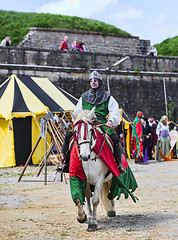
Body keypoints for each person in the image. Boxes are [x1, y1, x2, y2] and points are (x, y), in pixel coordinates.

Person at [61, 70, 126, 174]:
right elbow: (77, 111)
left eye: (95, 80)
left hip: (101, 123)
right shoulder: (84, 97)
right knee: (69, 136)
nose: (93, 82)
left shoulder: (108, 97)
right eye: (91, 80)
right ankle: (65, 163)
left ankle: (119, 165)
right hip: (86, 122)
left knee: (114, 139)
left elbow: (114, 111)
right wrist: (78, 119)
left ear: (99, 82)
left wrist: (111, 120)